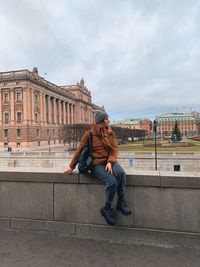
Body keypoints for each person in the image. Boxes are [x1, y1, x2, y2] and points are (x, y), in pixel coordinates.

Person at [64, 111, 131, 225]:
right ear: (101, 121)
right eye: (106, 119)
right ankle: (107, 208)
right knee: (112, 181)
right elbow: (79, 150)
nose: (108, 120)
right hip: (97, 164)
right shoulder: (89, 134)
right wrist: (71, 166)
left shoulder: (110, 133)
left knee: (120, 174)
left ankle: (121, 202)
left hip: (110, 161)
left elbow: (114, 149)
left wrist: (110, 162)